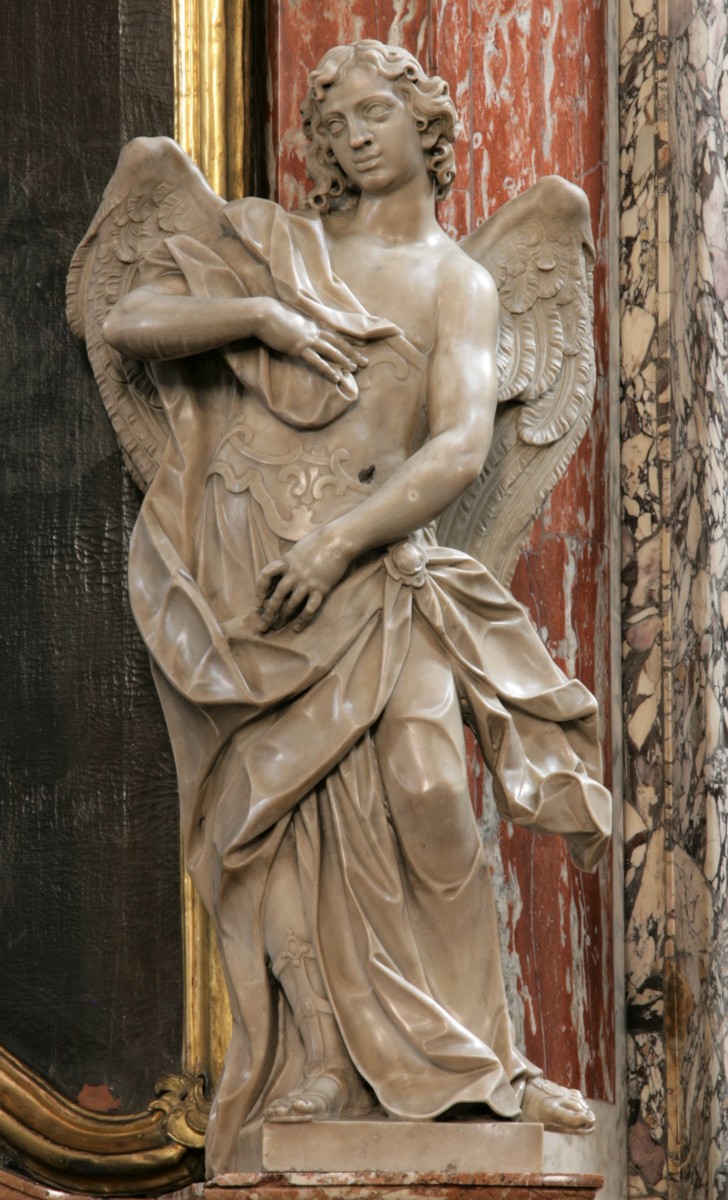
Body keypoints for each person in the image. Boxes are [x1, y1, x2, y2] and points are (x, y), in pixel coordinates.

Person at [101, 40, 610, 1174]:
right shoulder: (274, 250)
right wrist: (261, 321)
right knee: (282, 820)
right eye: (333, 125)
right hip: (259, 576)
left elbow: (458, 447)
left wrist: (341, 543)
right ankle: (323, 1059)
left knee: (429, 785)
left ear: (424, 127)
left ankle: (479, 1059)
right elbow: (128, 320)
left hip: (373, 564)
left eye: (375, 113)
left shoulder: (457, 283)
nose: (351, 136)